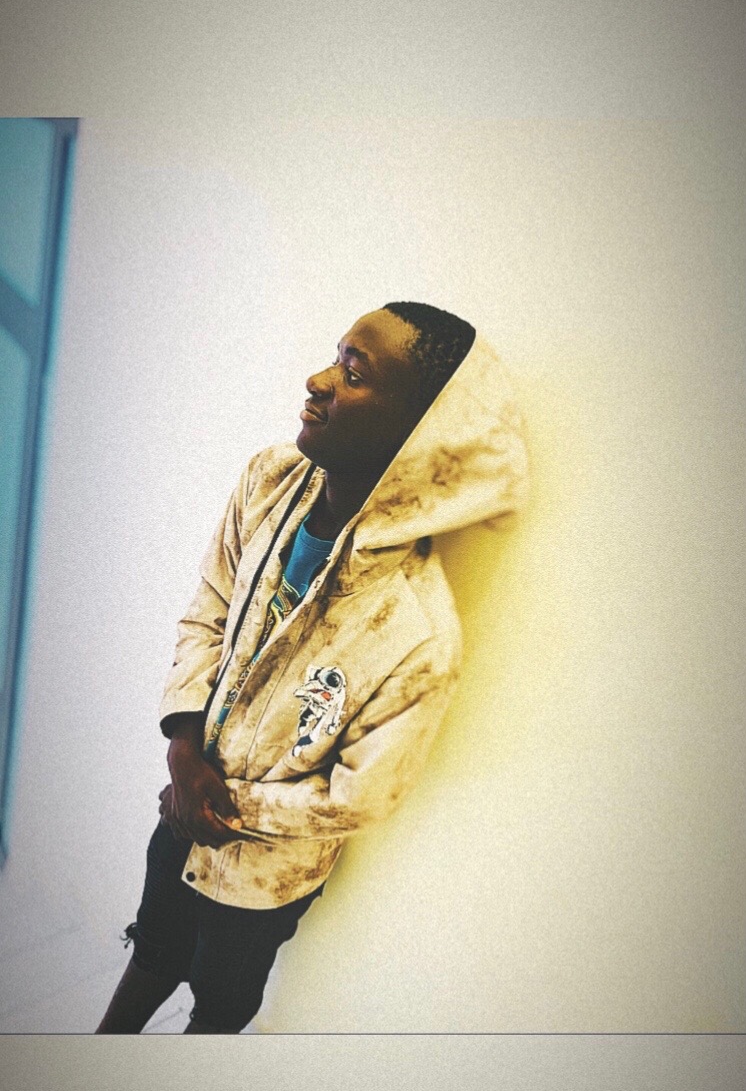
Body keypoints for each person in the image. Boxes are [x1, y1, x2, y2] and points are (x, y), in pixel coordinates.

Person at [95, 301, 529, 1033]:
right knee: (155, 946)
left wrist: (223, 806)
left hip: (266, 882)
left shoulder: (417, 632)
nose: (318, 380)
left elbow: (362, 795)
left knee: (221, 1005)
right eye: (335, 357)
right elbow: (209, 607)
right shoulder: (267, 480)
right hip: (179, 809)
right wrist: (182, 752)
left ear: (418, 433)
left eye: (352, 374)